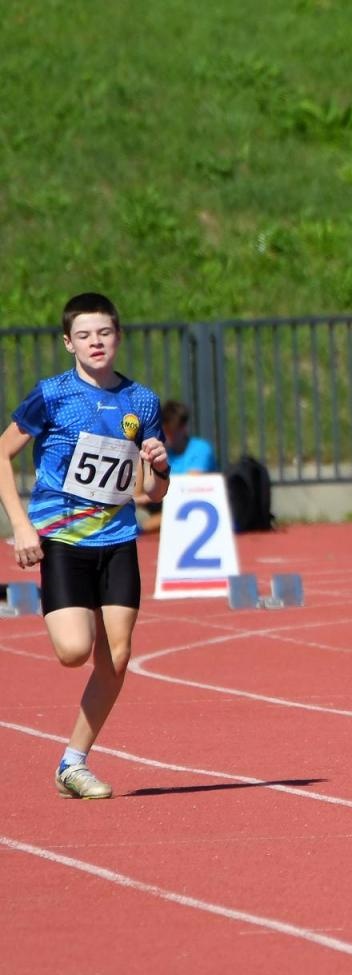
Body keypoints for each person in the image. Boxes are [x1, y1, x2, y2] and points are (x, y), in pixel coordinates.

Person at [0, 293, 171, 799]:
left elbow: (150, 492)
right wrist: (22, 525)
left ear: (118, 336)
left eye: (104, 333)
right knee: (75, 651)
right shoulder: (52, 395)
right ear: (68, 343)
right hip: (63, 539)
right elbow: (2, 453)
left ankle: (73, 762)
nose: (95, 343)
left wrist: (158, 465)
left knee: (116, 657)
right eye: (84, 335)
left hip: (118, 538)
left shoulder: (141, 402)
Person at [135, 399, 218, 531]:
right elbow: (137, 495)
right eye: (164, 431)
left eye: (171, 431)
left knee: (173, 514)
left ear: (183, 428)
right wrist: (144, 458)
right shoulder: (161, 451)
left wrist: (150, 496)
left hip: (192, 505)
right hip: (160, 506)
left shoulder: (201, 449)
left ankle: (140, 527)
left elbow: (189, 486)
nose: (167, 436)